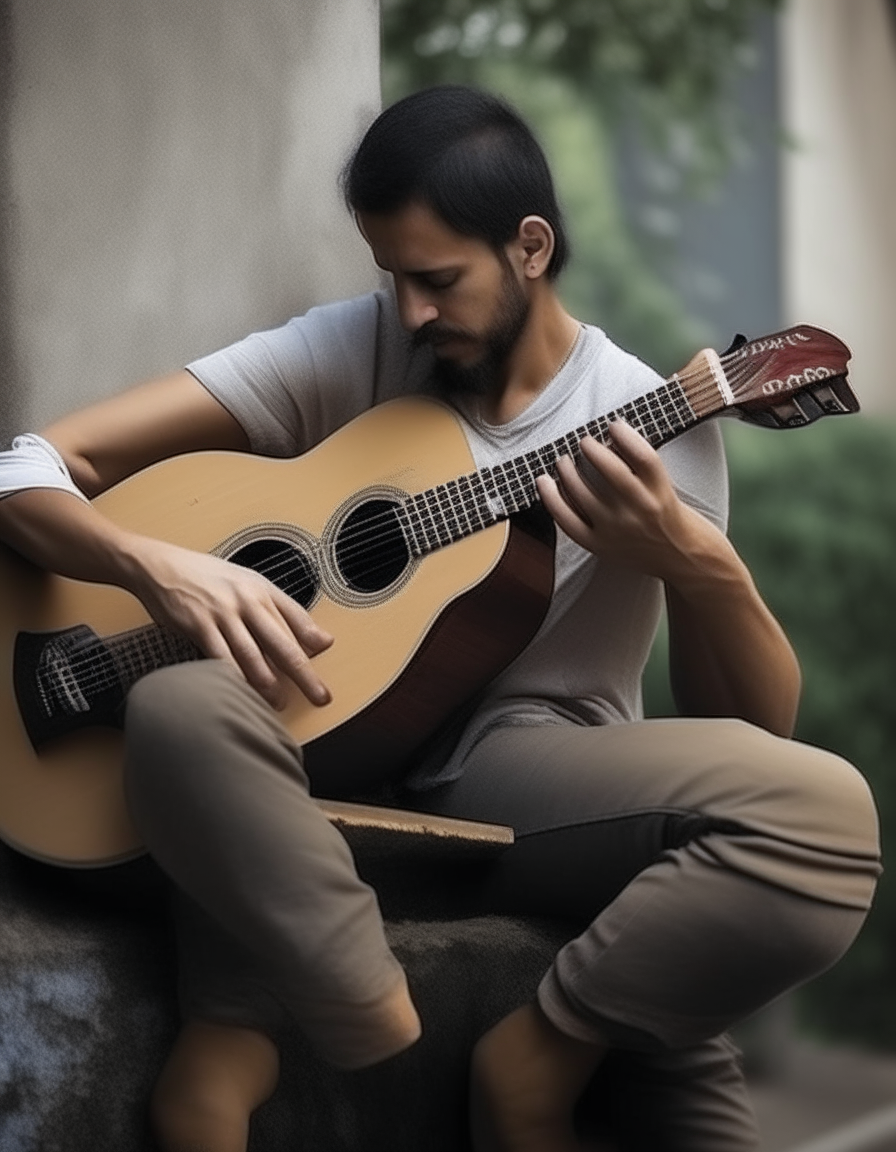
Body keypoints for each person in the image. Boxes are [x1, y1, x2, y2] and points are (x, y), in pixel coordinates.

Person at [0, 85, 880, 1152]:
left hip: (522, 767)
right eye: (389, 276)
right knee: (179, 707)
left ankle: (535, 1054)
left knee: (822, 811)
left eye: (436, 279)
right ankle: (356, 1007)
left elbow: (751, 727)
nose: (408, 312)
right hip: (330, 741)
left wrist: (695, 564)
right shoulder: (358, 348)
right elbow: (31, 467)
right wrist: (153, 567)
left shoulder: (651, 419)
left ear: (529, 247)